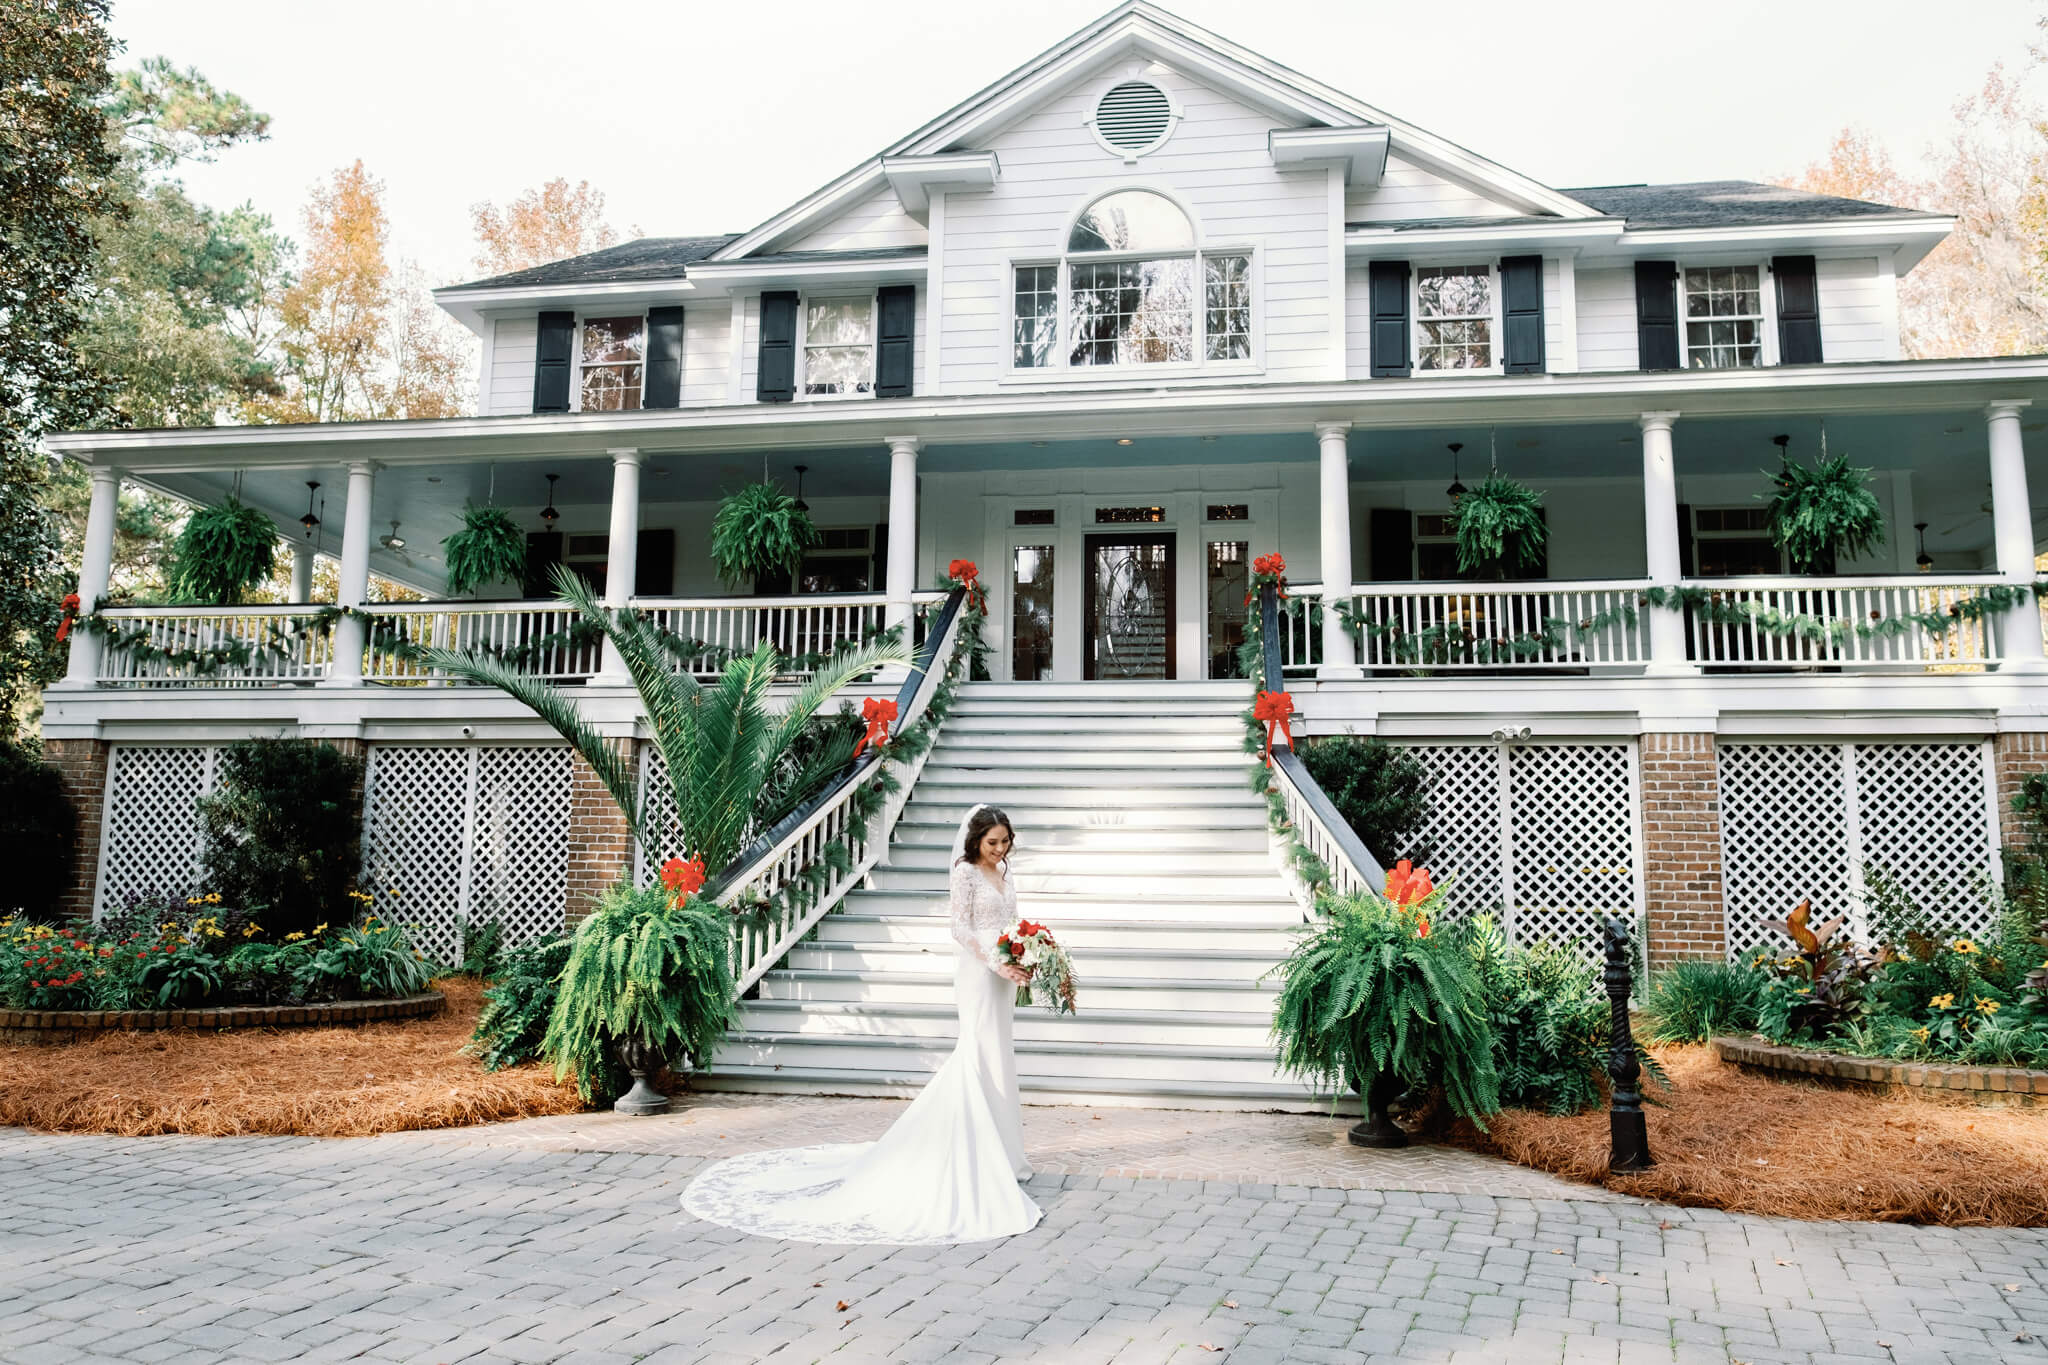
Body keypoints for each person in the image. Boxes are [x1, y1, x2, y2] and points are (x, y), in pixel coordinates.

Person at [680, 803, 1042, 1244]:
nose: (999, 849)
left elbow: (1011, 923)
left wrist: (1026, 953)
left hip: (1004, 971)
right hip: (978, 972)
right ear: (975, 840)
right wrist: (993, 961)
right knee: (978, 1051)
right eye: (992, 842)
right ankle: (975, 1152)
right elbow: (959, 928)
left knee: (1000, 1054)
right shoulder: (964, 871)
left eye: (1005, 842)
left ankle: (1004, 1153)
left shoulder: (1005, 873)